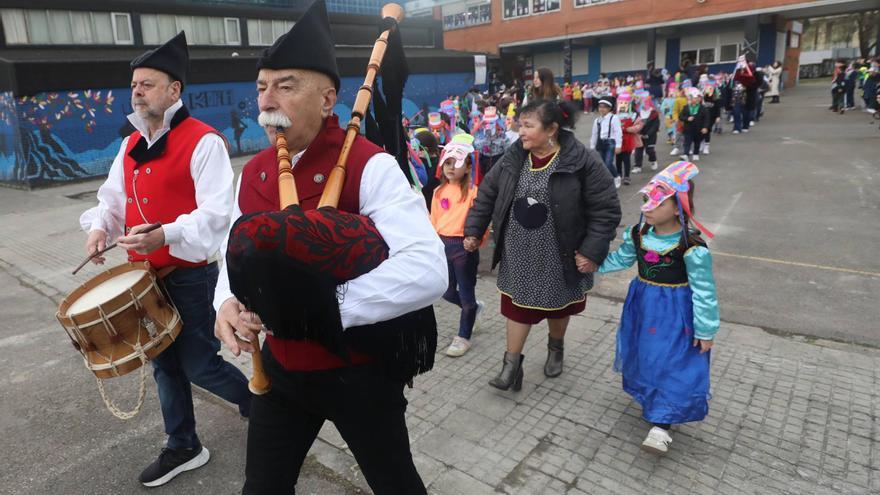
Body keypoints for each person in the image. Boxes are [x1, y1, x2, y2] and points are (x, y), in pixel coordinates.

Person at [212, 2, 447, 492]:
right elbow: (232, 251)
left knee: (396, 484)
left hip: (357, 373)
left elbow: (428, 269)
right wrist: (226, 304)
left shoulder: (370, 164)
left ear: (327, 100)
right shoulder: (253, 172)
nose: (267, 99)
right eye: (261, 87)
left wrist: (320, 309)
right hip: (279, 374)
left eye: (285, 85)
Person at [79, 32, 252, 487]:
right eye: (135, 84)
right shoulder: (130, 145)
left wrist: (165, 234)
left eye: (148, 84)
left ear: (174, 90)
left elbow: (217, 217)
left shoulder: (204, 141)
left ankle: (264, 404)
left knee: (199, 364)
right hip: (145, 280)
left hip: (192, 277)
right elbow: (112, 199)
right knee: (165, 366)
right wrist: (100, 227)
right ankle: (183, 445)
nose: (137, 91)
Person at [463, 100, 621, 391]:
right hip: (518, 252)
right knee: (516, 309)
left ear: (551, 130)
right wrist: (474, 230)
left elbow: (606, 210)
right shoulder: (514, 157)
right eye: (519, 125)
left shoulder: (582, 160)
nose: (519, 131)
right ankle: (511, 366)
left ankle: (556, 348)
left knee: (558, 306)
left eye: (528, 126)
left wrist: (591, 251)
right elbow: (487, 195)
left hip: (560, 252)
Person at [598, 161, 718, 454]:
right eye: (645, 200)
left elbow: (705, 292)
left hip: (677, 315)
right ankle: (651, 399)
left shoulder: (691, 247)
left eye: (657, 201)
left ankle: (662, 425)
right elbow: (621, 259)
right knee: (646, 355)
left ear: (678, 206)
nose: (647, 207)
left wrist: (705, 330)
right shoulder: (639, 234)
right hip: (642, 306)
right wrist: (588, 265)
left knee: (673, 361)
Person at [431, 134, 485, 357]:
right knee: (445, 291)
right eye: (448, 163)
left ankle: (463, 336)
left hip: (464, 249)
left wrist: (475, 241)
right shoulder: (437, 192)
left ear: (469, 166)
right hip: (442, 247)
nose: (451, 168)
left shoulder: (474, 192)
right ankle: (474, 308)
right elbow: (433, 221)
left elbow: (482, 220)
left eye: (458, 163)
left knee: (465, 295)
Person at [589, 99, 623, 188]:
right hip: (600, 143)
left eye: (604, 107)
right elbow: (594, 134)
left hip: (610, 143)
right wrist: (592, 146)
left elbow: (618, 132)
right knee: (602, 163)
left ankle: (616, 177)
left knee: (608, 163)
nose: (602, 109)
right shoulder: (597, 120)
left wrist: (618, 145)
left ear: (609, 109)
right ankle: (606, 180)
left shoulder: (614, 118)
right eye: (600, 107)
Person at [616, 92, 643, 186]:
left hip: (628, 139)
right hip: (617, 140)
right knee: (617, 158)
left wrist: (628, 129)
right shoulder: (615, 114)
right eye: (621, 102)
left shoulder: (634, 115)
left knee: (626, 158)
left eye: (625, 102)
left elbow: (639, 125)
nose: (623, 104)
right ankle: (618, 175)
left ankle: (627, 176)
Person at [678, 88, 710, 162]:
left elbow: (706, 119)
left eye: (697, 98)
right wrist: (687, 118)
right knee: (687, 142)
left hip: (698, 129)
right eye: (693, 98)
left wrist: (705, 127)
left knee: (697, 142)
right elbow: (681, 116)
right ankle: (686, 154)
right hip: (688, 129)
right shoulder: (686, 107)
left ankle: (696, 153)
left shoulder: (703, 108)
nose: (695, 100)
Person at [634, 94, 659, 173]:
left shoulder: (654, 114)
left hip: (650, 136)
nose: (643, 105)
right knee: (638, 151)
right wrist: (638, 132)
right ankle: (638, 166)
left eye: (645, 103)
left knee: (650, 150)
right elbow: (635, 124)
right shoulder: (638, 113)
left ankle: (653, 160)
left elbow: (655, 126)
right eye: (642, 103)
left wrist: (648, 134)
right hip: (639, 135)